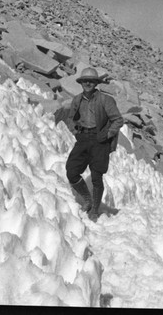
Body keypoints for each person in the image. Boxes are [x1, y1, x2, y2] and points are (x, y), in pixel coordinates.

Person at [65, 67, 123, 220]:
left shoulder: (105, 100)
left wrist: (107, 134)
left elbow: (118, 120)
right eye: (85, 81)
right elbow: (70, 118)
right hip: (83, 138)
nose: (88, 83)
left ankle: (95, 210)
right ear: (81, 83)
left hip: (100, 140)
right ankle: (87, 199)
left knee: (96, 176)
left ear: (96, 83)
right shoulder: (77, 100)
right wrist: (76, 132)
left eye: (91, 81)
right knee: (72, 171)